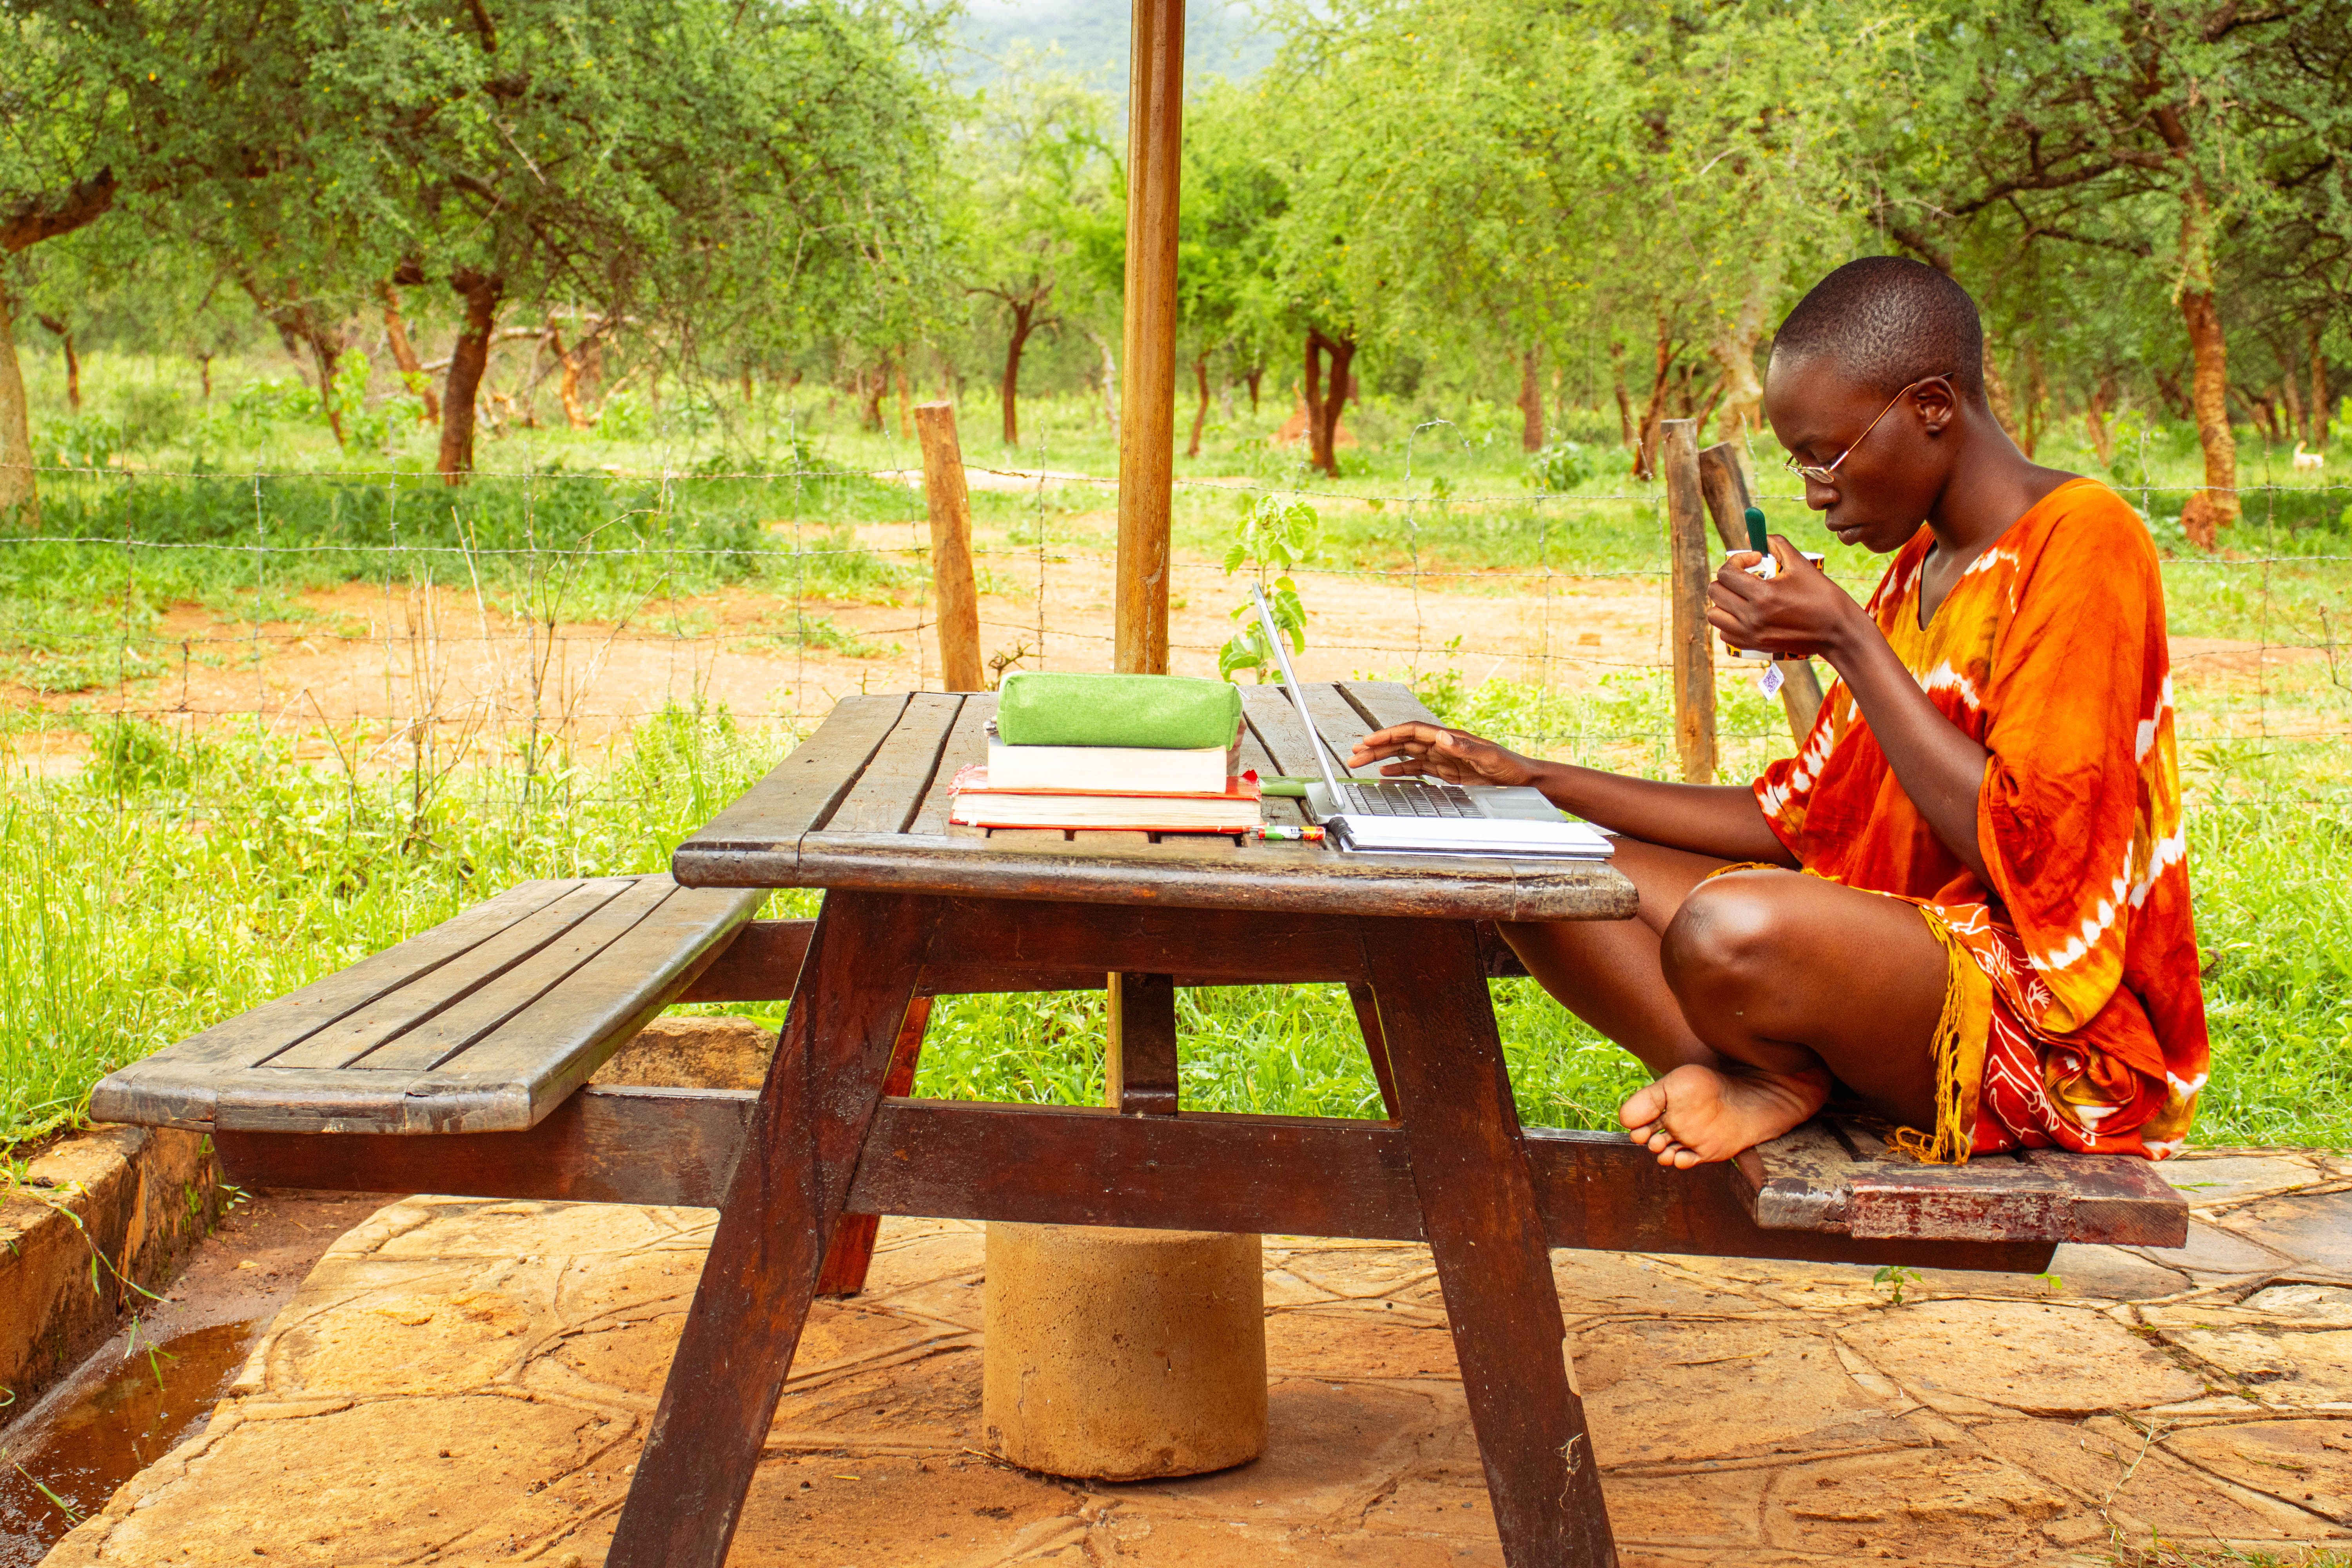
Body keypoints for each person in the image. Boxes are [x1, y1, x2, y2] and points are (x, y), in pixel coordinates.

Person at [1349, 257, 2207, 1169]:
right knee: (1538, 877)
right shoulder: (1921, 570)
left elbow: (2038, 854)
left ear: (1932, 406)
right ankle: (1744, 1075)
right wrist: (1532, 776)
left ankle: (1778, 1079)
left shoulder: (2085, 539)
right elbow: (1793, 818)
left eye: (1826, 455)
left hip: (2047, 1029)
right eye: (1799, 462)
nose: (1812, 491)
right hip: (1893, 965)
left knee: (1732, 926)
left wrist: (1845, 637)